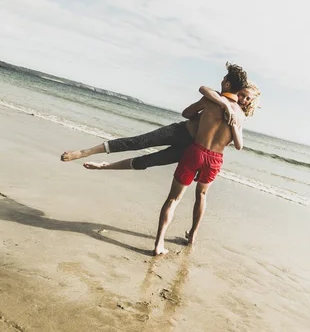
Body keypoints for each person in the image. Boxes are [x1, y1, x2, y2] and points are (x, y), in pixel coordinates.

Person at [60, 65, 261, 172]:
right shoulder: (214, 98)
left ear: (227, 84)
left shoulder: (238, 115)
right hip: (182, 135)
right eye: (242, 95)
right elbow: (193, 104)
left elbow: (229, 141)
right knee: (139, 143)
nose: (243, 99)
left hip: (190, 147)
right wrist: (222, 105)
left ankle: (105, 166)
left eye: (224, 79)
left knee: (146, 160)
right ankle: (85, 152)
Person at [153, 65, 248, 255]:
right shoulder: (240, 115)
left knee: (173, 198)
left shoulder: (211, 100)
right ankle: (193, 236)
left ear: (228, 83)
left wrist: (202, 116)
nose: (221, 81)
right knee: (202, 196)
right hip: (215, 159)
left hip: (196, 151)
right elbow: (234, 143)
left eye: (223, 79)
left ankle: (159, 244)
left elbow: (186, 113)